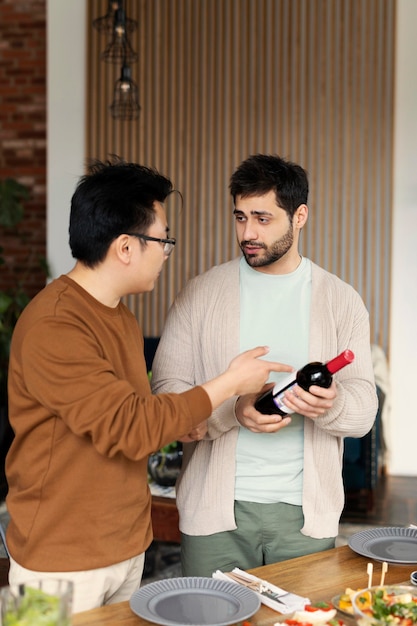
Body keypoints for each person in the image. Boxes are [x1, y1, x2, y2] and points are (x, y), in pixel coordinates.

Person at [5, 159, 291, 612]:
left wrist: (185, 421)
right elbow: (130, 426)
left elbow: (131, 415)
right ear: (124, 247)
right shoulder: (55, 323)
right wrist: (229, 383)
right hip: (57, 560)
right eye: (163, 240)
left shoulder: (119, 315)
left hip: (123, 546)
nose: (165, 252)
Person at [151, 153, 378, 577]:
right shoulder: (199, 294)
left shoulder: (341, 300)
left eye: (262, 218)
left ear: (300, 216)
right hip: (213, 516)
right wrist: (231, 411)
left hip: (305, 518)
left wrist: (332, 402)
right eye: (240, 217)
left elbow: (364, 411)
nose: (248, 233)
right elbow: (167, 399)